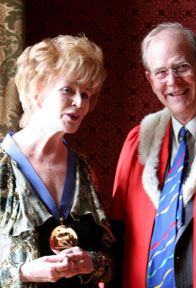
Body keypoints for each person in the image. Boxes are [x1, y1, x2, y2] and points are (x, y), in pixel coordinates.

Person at [108, 22, 196, 288]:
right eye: (161, 72)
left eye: (182, 67)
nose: (172, 81)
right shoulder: (137, 143)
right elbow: (117, 238)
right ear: (150, 81)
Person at [0, 34, 115, 287]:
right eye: (68, 90)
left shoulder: (83, 168)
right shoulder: (3, 166)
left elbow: (107, 258)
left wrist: (91, 263)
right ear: (37, 92)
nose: (79, 103)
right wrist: (22, 273)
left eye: (86, 94)